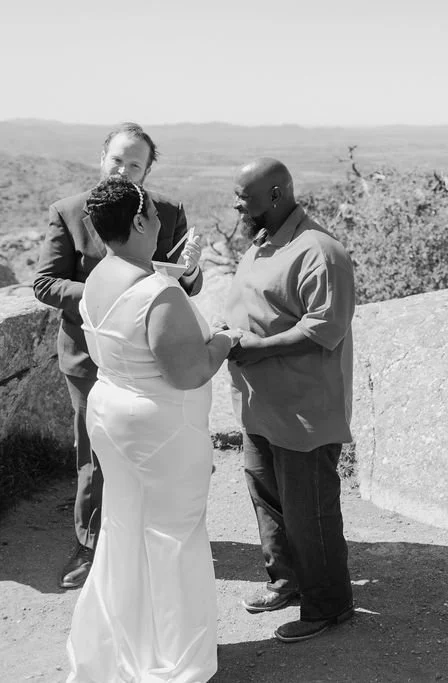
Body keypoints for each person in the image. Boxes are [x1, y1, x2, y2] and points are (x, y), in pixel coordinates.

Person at [66, 175, 237, 682]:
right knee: (175, 537)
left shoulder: (99, 276)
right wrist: (223, 340)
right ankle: (179, 663)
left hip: (110, 415)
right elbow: (189, 371)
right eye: (156, 215)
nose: (162, 221)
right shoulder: (158, 293)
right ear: (139, 222)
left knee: (125, 530)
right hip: (160, 430)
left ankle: (121, 648)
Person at [33, 122, 204, 590]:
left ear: (147, 170)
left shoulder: (167, 211)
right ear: (101, 158)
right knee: (95, 453)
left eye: (135, 164)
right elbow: (45, 283)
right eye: (117, 160)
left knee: (153, 452)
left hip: (154, 358)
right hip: (90, 355)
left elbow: (183, 282)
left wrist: (190, 273)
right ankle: (90, 546)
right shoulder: (69, 211)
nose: (124, 170)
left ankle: (145, 540)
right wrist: (110, 293)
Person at [223, 157, 357, 643]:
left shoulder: (319, 251)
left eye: (245, 197)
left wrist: (257, 348)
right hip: (259, 406)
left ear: (277, 195)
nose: (238, 205)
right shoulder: (262, 242)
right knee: (269, 504)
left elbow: (324, 327)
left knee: (310, 514)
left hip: (304, 411)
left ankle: (329, 606)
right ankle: (286, 581)